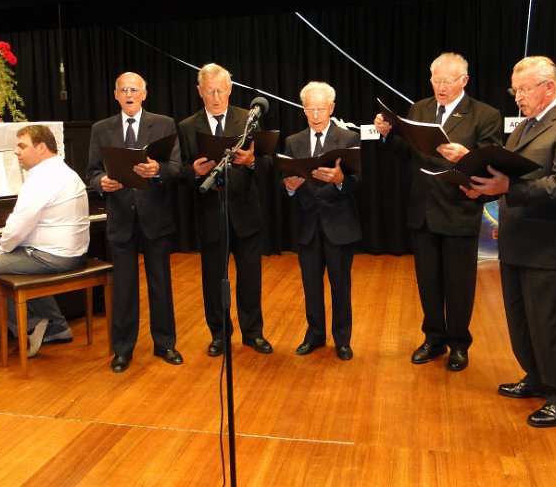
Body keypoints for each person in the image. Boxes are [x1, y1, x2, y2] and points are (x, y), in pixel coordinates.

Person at [464, 56, 556, 428]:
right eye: (515, 90)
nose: (518, 97)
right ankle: (536, 378)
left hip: (547, 245)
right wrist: (481, 186)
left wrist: (508, 186)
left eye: (524, 89)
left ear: (549, 87)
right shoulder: (523, 127)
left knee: (549, 324)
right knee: (521, 321)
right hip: (516, 240)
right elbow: (510, 178)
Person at [374, 52, 502, 371]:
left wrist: (466, 156)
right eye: (435, 80)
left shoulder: (485, 114)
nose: (440, 87)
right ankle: (433, 338)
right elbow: (409, 152)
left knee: (459, 284)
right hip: (423, 211)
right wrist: (387, 136)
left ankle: (459, 343)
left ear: (464, 80)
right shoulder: (420, 109)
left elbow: (493, 166)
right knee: (427, 281)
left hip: (459, 210)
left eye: (447, 81)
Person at [85, 72, 183, 374]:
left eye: (134, 90)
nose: (129, 94)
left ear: (144, 94)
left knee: (160, 283)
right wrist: (101, 182)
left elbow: (176, 168)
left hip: (155, 216)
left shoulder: (164, 124)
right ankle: (122, 349)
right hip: (121, 218)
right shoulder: (101, 129)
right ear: (116, 94)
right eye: (124, 90)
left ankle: (165, 344)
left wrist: (157, 170)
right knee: (124, 287)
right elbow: (91, 172)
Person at [178, 63, 273, 356]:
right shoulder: (187, 126)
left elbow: (268, 164)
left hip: (245, 212)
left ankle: (253, 333)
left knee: (250, 277)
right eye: (210, 91)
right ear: (200, 92)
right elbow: (179, 170)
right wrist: (193, 171)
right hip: (210, 214)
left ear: (230, 89)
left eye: (220, 90)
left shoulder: (248, 120)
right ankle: (219, 335)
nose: (216, 97)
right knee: (212, 279)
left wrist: (252, 162)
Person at [0, 124, 90, 358]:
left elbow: (18, 225)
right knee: (24, 263)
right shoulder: (66, 171)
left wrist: (4, 249)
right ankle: (58, 328)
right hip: (74, 253)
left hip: (55, 256)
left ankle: (30, 326)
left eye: (22, 146)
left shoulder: (41, 178)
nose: (16, 152)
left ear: (41, 148)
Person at [283, 82, 361, 361]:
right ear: (303, 110)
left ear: (331, 108)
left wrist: (340, 180)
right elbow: (285, 180)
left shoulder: (348, 138)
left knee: (340, 286)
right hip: (308, 225)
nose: (315, 115)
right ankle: (315, 335)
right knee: (311, 286)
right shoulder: (293, 141)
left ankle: (342, 339)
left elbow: (358, 181)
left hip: (339, 225)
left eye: (320, 109)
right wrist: (289, 187)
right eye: (310, 109)